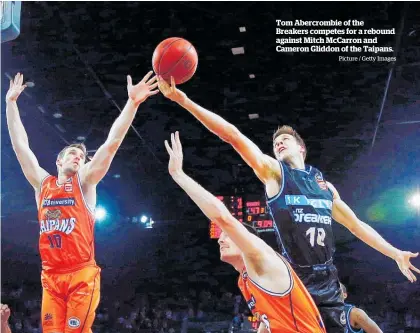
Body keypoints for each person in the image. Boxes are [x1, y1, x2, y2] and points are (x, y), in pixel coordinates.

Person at [157, 76, 420, 333]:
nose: (278, 143)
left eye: (285, 140)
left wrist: (394, 252)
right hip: (297, 281)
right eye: (275, 143)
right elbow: (233, 136)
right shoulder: (275, 174)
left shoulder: (324, 186)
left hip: (329, 282)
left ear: (301, 148)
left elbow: (356, 226)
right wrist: (185, 101)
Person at [5, 72, 158, 333]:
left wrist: (132, 104)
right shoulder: (43, 184)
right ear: (58, 161)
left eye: (82, 156)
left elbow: (111, 145)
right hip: (50, 276)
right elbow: (21, 146)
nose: (79, 157)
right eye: (73, 154)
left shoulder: (85, 182)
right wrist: (10, 104)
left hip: (80, 275)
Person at [165, 131, 326, 333]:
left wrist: (179, 175)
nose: (220, 241)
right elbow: (268, 325)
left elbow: (222, 217)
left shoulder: (261, 257)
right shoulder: (245, 279)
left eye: (226, 236)